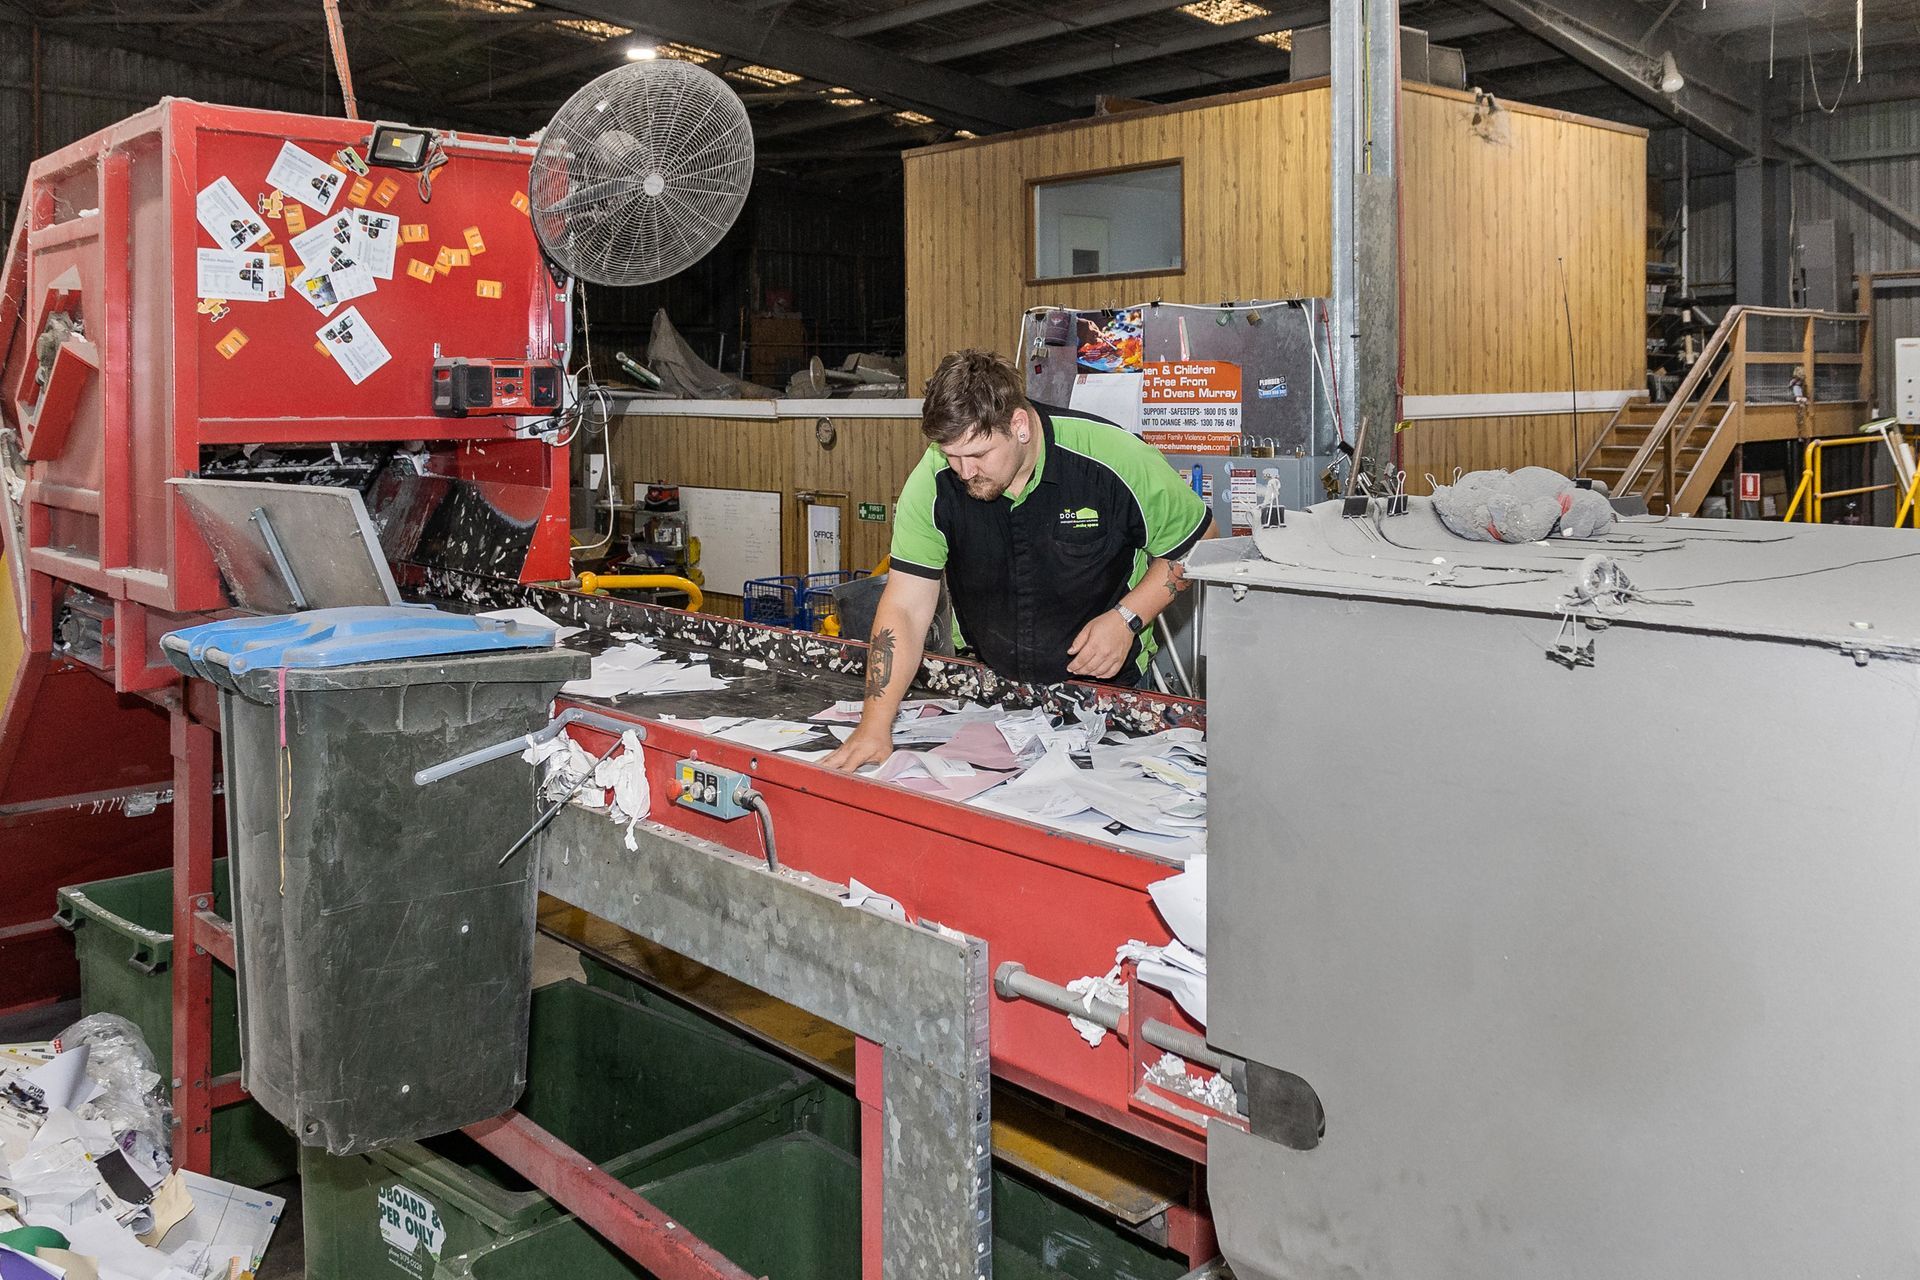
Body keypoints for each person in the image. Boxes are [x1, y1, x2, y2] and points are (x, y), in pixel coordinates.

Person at [822, 349, 1214, 773]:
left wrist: (1127, 617)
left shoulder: (1111, 457)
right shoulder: (934, 480)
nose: (964, 471)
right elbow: (905, 606)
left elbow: (1198, 543)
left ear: (1019, 426)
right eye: (951, 456)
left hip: (1106, 698)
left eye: (978, 454)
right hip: (991, 698)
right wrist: (874, 726)